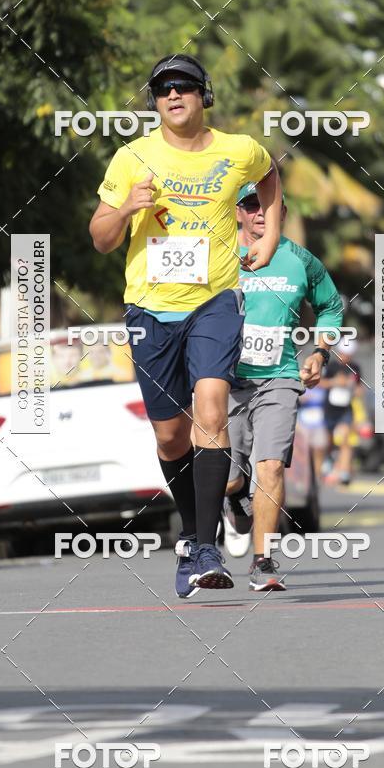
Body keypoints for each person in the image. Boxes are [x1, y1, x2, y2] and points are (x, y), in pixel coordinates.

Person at [89, 54, 283, 597]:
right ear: (155, 101)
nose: (173, 96)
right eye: (162, 90)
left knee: (212, 409)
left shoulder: (238, 150)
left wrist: (266, 239)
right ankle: (194, 528)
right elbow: (100, 238)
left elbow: (270, 174)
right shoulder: (132, 157)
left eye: (184, 87)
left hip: (215, 301)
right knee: (171, 435)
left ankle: (204, 545)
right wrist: (127, 208)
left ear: (204, 95)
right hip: (150, 309)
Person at [225, 183, 343, 590]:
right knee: (228, 477)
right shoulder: (218, 256)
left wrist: (319, 353)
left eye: (268, 205)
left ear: (283, 211)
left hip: (280, 375)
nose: (260, 212)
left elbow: (331, 306)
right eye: (251, 205)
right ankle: (236, 501)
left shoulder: (299, 260)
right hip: (224, 380)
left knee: (271, 465)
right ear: (238, 212)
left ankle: (263, 561)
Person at [318, 343, 362, 488]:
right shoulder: (330, 366)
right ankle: (329, 458)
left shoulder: (355, 368)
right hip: (330, 408)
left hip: (345, 409)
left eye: (348, 355)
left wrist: (355, 389)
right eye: (343, 354)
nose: (345, 357)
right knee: (329, 439)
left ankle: (344, 472)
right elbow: (320, 383)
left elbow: (359, 388)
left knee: (345, 438)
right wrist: (335, 382)